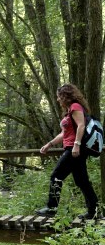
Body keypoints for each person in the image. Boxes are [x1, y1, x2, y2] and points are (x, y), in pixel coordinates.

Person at [36, 84, 99, 219]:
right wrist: (50, 144)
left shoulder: (75, 107)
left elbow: (81, 125)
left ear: (65, 96)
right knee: (82, 181)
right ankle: (93, 211)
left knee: (56, 176)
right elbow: (64, 134)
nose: (58, 100)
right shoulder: (69, 110)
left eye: (59, 97)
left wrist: (76, 145)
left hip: (74, 149)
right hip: (74, 149)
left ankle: (51, 208)